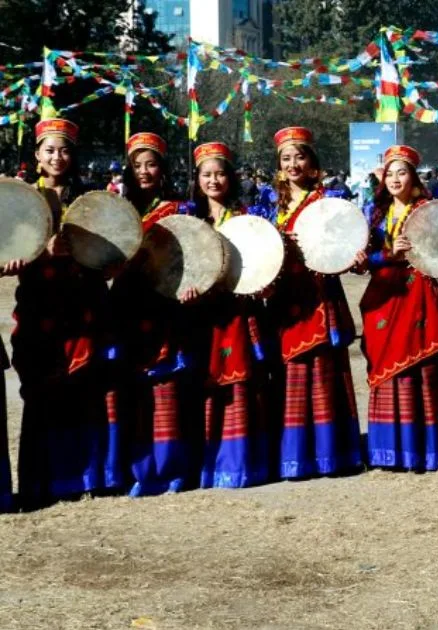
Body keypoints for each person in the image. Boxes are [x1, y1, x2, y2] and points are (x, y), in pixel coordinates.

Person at [12, 118, 119, 508]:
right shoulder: (22, 200)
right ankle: (40, 480)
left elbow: (111, 252)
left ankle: (82, 476)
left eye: (65, 150)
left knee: (82, 392)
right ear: (38, 155)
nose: (58, 156)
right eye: (50, 149)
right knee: (41, 393)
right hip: (40, 306)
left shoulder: (89, 200)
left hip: (83, 305)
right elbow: (7, 248)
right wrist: (30, 256)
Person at [253, 126, 364, 480]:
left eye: (300, 157)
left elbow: (346, 245)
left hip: (319, 296)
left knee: (322, 370)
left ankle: (331, 455)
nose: (293, 164)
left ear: (313, 165)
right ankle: (294, 457)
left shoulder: (328, 204)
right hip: (285, 299)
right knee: (290, 372)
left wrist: (356, 256)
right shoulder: (270, 204)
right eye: (286, 158)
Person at [113, 131, 197, 496]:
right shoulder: (118, 210)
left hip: (167, 307)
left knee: (166, 389)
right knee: (132, 390)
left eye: (151, 164)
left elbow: (193, 260)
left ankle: (172, 468)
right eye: (137, 165)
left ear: (162, 169)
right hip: (127, 307)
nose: (144, 171)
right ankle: (139, 469)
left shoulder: (180, 211)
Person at [360, 145, 438, 472]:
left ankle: (425, 451)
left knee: (423, 370)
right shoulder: (374, 213)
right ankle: (390, 451)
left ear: (413, 177)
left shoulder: (428, 210)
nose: (395, 178)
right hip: (385, 299)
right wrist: (386, 255)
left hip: (421, 295)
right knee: (386, 369)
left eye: (402, 172)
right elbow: (364, 261)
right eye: (390, 173)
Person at [190, 142, 271, 489]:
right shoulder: (191, 220)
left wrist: (261, 285)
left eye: (220, 173)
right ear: (198, 179)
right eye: (207, 174)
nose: (213, 180)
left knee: (241, 382)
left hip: (238, 312)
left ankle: (240, 465)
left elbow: (263, 264)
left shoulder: (248, 219)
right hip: (200, 317)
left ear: (230, 178)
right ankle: (205, 463)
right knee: (203, 384)